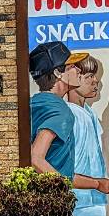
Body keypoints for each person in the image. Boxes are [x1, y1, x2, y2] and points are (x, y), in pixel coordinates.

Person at [28, 42, 87, 180]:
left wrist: (97, 183)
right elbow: (36, 158)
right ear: (57, 73)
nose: (79, 70)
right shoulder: (60, 111)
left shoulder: (34, 103)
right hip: (51, 192)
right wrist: (62, 187)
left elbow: (54, 164)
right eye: (72, 66)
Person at [65, 54, 109, 216]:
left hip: (94, 198)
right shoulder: (70, 114)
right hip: (80, 201)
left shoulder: (89, 113)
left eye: (95, 76)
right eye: (89, 76)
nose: (95, 81)